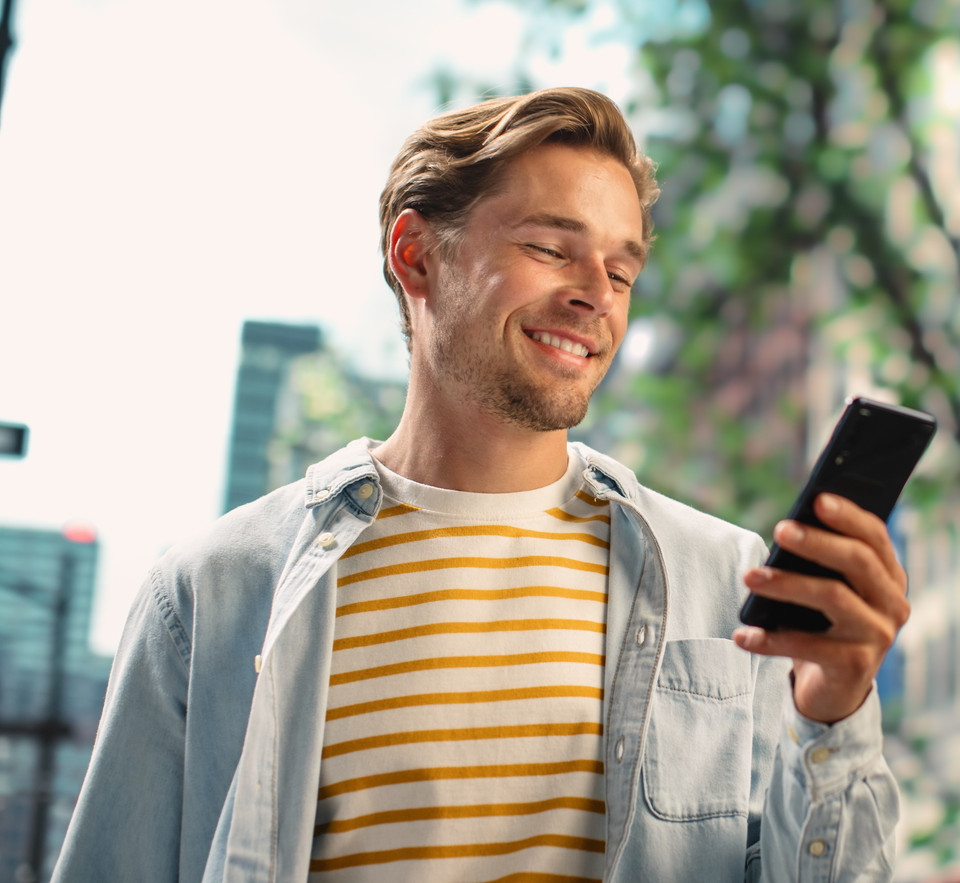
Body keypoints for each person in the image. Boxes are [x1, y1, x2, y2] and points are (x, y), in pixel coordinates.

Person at [53, 87, 905, 882]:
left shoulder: (724, 575)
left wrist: (834, 711)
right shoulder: (211, 591)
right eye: (549, 248)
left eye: (621, 271)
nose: (595, 297)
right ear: (416, 256)